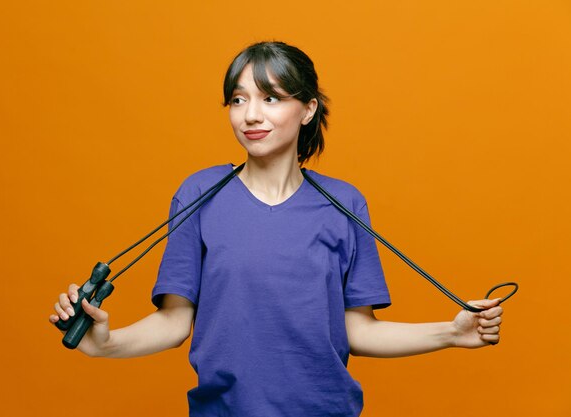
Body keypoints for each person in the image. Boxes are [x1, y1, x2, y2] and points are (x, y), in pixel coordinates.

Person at [49, 41, 504, 416]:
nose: (250, 115)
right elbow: (174, 321)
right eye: (238, 99)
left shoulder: (344, 203)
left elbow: (357, 332)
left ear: (307, 110)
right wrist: (105, 344)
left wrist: (452, 332)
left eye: (270, 98)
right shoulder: (199, 193)